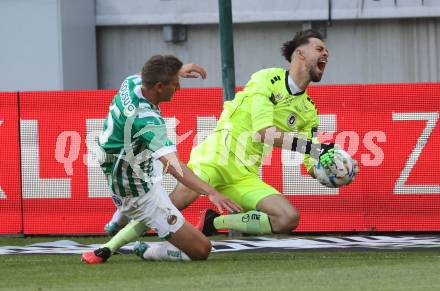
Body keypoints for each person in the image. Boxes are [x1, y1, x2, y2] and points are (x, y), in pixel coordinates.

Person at [102, 30, 358, 253]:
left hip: (244, 173)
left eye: (327, 50)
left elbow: (310, 162)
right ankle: (112, 244)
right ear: (300, 54)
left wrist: (330, 169)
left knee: (287, 218)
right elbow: (264, 132)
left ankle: (212, 223)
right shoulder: (267, 79)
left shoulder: (309, 110)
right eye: (319, 48)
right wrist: (315, 149)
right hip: (217, 155)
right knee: (171, 205)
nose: (326, 53)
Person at [81, 55, 241, 264]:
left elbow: (148, 71)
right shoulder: (147, 121)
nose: (179, 89)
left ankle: (117, 220)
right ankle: (147, 249)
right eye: (175, 84)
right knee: (202, 249)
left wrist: (178, 69)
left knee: (154, 161)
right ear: (159, 86)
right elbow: (174, 167)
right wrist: (211, 193)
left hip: (117, 160)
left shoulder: (132, 82)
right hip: (141, 196)